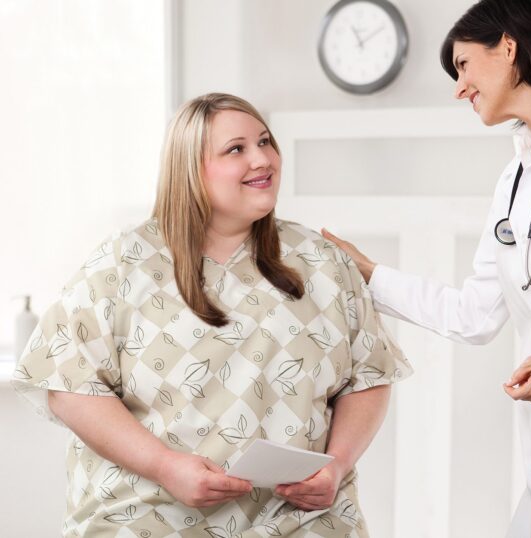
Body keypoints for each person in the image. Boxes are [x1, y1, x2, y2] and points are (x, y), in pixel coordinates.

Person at [12, 93, 412, 537]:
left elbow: (369, 376)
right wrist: (165, 467)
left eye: (265, 141)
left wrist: (336, 467)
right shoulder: (122, 262)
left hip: (297, 518)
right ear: (190, 170)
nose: (262, 159)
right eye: (236, 149)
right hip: (148, 513)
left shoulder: (323, 261)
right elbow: (67, 385)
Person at [323, 0, 531, 536]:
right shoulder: (515, 179)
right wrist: (368, 274)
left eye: (462, 65)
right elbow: (473, 314)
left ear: (509, 47)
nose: (459, 88)